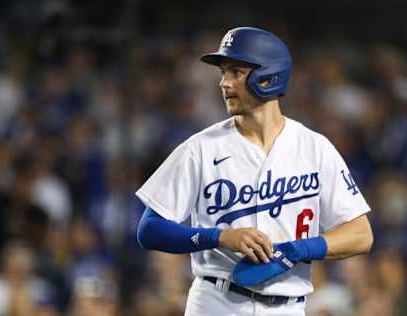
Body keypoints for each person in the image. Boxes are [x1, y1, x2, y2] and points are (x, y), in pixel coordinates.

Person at [135, 26, 373, 316]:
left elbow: (361, 234)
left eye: (235, 72)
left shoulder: (315, 148)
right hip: (216, 301)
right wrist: (218, 237)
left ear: (268, 75)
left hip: (288, 306)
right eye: (223, 73)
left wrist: (299, 249)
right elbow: (149, 229)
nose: (224, 83)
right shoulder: (200, 148)